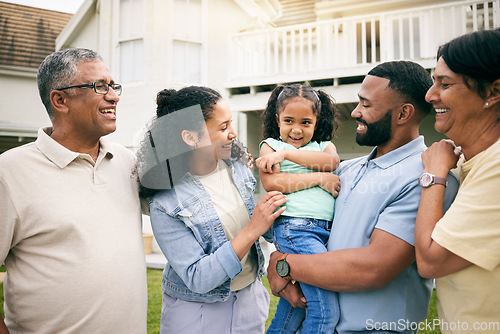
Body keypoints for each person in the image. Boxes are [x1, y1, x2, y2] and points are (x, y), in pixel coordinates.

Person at [266, 61, 460, 333]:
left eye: (366, 105)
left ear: (403, 113)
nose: (355, 112)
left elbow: (373, 269)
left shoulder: (427, 178)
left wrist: (284, 266)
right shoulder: (346, 169)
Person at [0, 48, 147, 333]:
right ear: (60, 100)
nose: (114, 96)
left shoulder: (127, 162)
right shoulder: (9, 172)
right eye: (99, 86)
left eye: (113, 86)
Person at [137, 86, 287, 334]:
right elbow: (198, 278)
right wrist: (252, 230)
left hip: (250, 302)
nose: (233, 133)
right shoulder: (165, 203)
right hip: (197, 314)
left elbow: (267, 228)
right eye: (224, 127)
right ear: (190, 137)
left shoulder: (237, 167)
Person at [415, 28, 500, 334]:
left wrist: (434, 175)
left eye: (445, 83)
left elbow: (430, 261)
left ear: (492, 92)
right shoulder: (468, 160)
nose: (429, 95)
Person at [256, 83, 340, 334]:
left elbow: (332, 162)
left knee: (297, 305)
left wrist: (287, 156)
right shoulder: (269, 145)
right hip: (296, 229)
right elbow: (272, 182)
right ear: (277, 119)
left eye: (305, 122)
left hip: (324, 231)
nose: (296, 129)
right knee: (326, 310)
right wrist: (319, 179)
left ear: (316, 122)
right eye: (289, 120)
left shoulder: (323, 147)